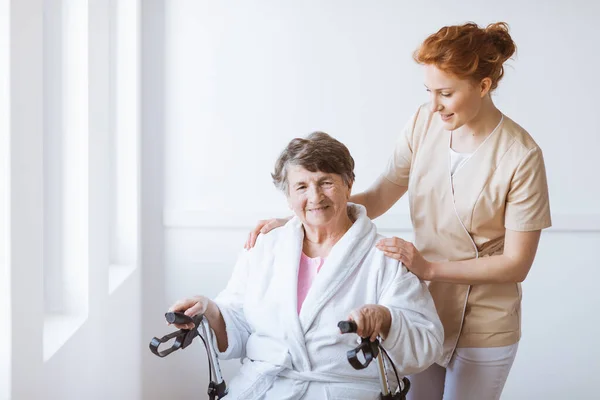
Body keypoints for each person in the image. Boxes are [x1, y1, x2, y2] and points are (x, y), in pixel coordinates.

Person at [244, 22, 551, 400]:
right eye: (429, 91)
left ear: (483, 86)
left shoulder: (521, 156)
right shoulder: (425, 123)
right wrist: (299, 221)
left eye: (446, 93)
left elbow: (516, 263)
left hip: (485, 320)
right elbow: (379, 195)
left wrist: (430, 269)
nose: (435, 104)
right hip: (425, 307)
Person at [169, 132, 444, 400]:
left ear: (349, 184)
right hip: (267, 388)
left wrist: (385, 318)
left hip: (343, 391)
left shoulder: (385, 256)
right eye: (301, 186)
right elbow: (238, 323)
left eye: (326, 183)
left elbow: (426, 342)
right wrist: (208, 309)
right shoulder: (265, 248)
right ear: (288, 197)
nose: (315, 197)